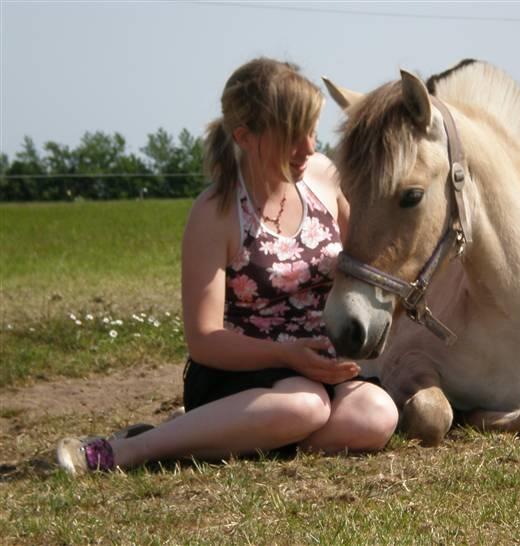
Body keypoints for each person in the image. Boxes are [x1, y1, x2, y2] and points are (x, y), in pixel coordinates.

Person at [56, 58, 399, 475]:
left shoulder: (325, 177)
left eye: (311, 131)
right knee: (303, 406)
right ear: (246, 137)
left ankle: (229, 436)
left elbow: (362, 261)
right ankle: (130, 449)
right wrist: (288, 356)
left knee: (376, 416)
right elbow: (204, 340)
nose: (309, 147)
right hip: (245, 373)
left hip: (323, 368)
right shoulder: (215, 212)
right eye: (292, 136)